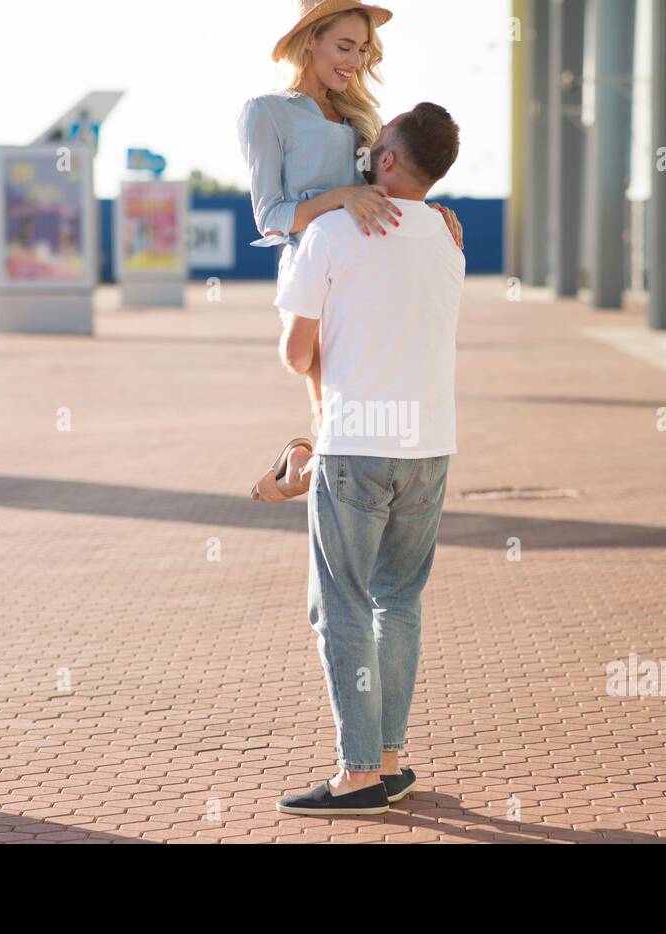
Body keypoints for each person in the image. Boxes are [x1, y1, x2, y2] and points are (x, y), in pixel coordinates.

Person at [272, 103, 464, 815]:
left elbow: (297, 356)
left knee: (343, 607)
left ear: (386, 161)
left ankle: (357, 776)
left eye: (375, 144)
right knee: (398, 602)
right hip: (430, 445)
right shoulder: (449, 237)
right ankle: (387, 759)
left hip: (355, 444)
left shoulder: (329, 230)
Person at [238, 0, 463, 503]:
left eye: (363, 50)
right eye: (345, 46)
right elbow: (270, 216)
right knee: (329, 411)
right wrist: (338, 198)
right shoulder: (265, 112)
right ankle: (303, 468)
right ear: (310, 40)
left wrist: (434, 211)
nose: (355, 61)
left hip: (369, 264)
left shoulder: (362, 116)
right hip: (314, 266)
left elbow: (387, 184)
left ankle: (302, 468)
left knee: (354, 415)